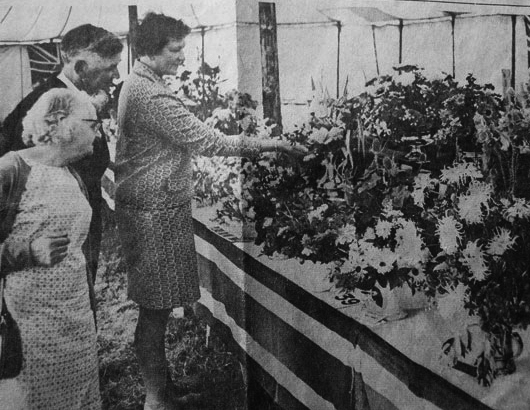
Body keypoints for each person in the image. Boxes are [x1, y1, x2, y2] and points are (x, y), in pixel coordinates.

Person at [114, 12, 307, 410]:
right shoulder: (149, 94)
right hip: (154, 214)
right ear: (151, 51)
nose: (182, 57)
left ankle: (161, 388)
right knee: (154, 311)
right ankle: (155, 399)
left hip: (153, 209)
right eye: (175, 49)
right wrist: (274, 146)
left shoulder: (142, 83)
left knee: (158, 308)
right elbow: (209, 141)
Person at [0, 88, 103, 409]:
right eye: (93, 124)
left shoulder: (72, 172)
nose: (99, 133)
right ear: (60, 122)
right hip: (29, 328)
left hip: (75, 319)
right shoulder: (11, 171)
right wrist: (31, 251)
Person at [0, 24, 123, 292]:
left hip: (77, 226)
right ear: (80, 68)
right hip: (51, 244)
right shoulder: (46, 103)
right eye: (110, 68)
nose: (115, 75)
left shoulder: (78, 100)